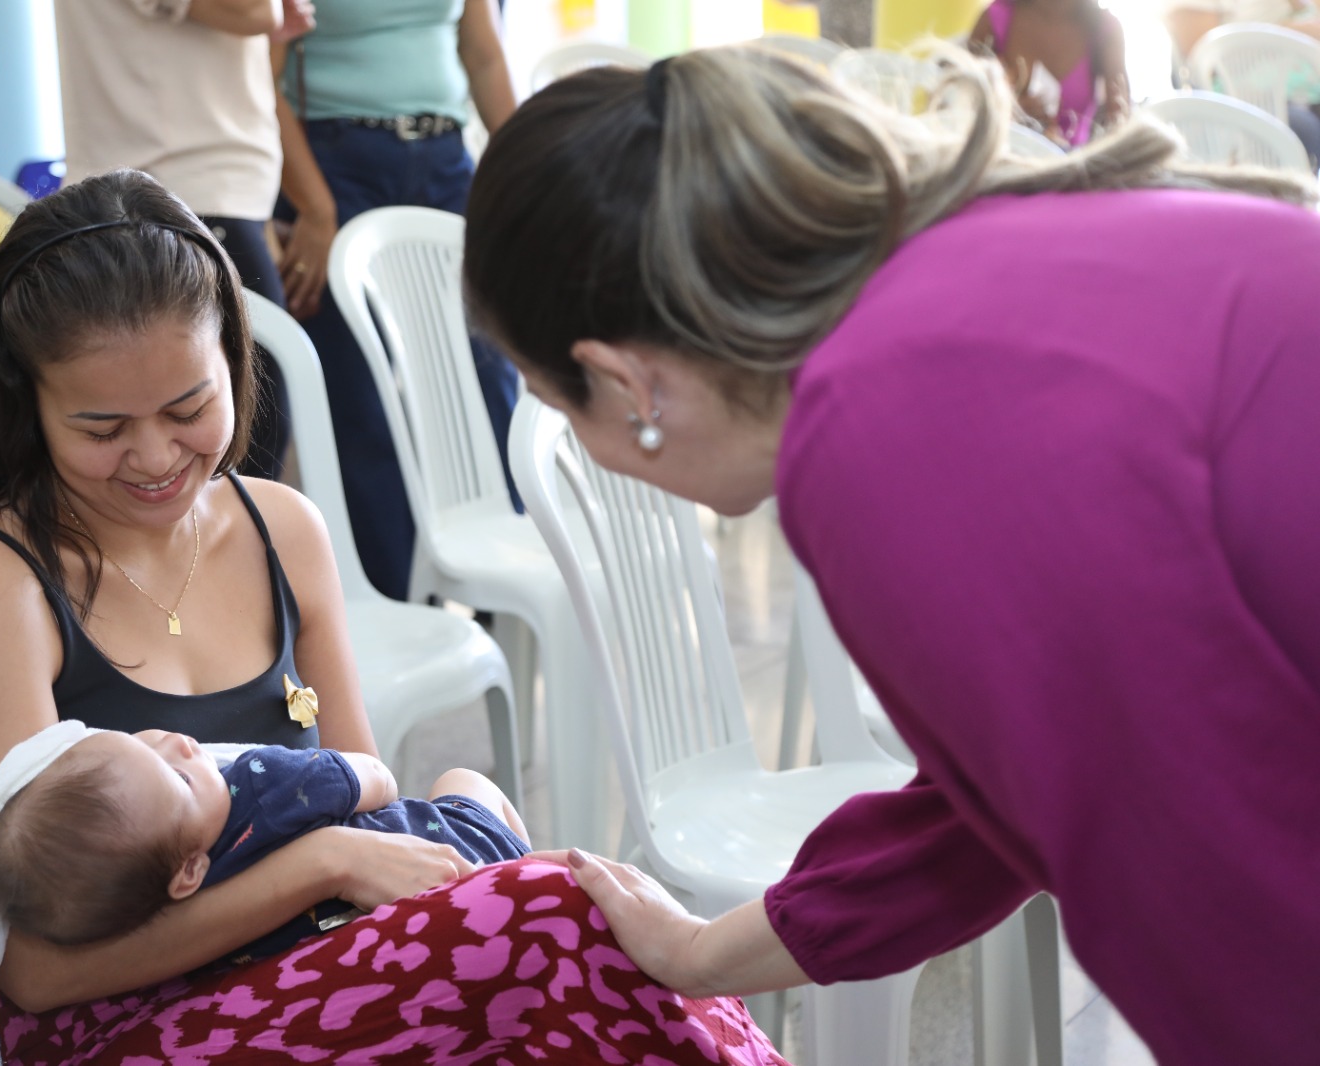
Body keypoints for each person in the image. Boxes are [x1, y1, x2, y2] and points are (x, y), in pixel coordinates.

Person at [462, 44, 1320, 1066]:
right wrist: (698, 953)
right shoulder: (960, 277)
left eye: (556, 403)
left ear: (625, 383)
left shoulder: (879, 423)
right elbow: (1000, 789)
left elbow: (1198, 877)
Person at [0, 165, 783, 1063]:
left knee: (563, 917)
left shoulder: (280, 527)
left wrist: (368, 863)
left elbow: (365, 794)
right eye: (101, 428)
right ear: (26, 406)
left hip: (302, 955)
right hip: (123, 1020)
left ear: (233, 361)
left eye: (189, 407)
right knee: (556, 921)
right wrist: (319, 868)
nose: (154, 455)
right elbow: (33, 973)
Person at [272, 0, 521, 600]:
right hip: (336, 160)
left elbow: (482, 53)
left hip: (445, 159)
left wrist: (523, 176)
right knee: (360, 404)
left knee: (493, 373)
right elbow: (260, 75)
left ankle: (504, 583)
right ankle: (400, 600)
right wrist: (314, 204)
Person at [54, 0, 312, 479]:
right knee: (231, 464)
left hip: (179, 185)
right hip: (181, 190)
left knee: (218, 458)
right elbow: (256, 12)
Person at [0, 727, 530, 951]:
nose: (179, 744)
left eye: (141, 743)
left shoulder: (177, 897)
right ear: (187, 872)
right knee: (463, 782)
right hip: (449, 849)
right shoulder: (265, 783)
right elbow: (378, 779)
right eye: (176, 777)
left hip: (389, 926)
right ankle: (525, 862)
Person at [1163, 0, 1320, 161]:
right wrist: (1288, 33)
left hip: (1298, 86)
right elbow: (1201, 56)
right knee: (1302, 127)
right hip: (1240, 98)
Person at [967, 0, 1128, 146]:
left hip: (1072, 169)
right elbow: (960, 100)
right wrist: (1010, 110)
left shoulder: (1104, 30)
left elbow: (1121, 123)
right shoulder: (996, 16)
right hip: (1002, 152)